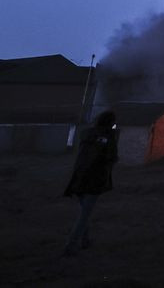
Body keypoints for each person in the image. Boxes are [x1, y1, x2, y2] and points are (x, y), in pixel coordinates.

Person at [63, 110, 118, 256]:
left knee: (84, 211)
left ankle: (85, 241)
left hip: (79, 177)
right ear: (111, 123)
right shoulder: (108, 137)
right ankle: (71, 245)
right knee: (84, 214)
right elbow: (111, 158)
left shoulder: (86, 133)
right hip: (94, 179)